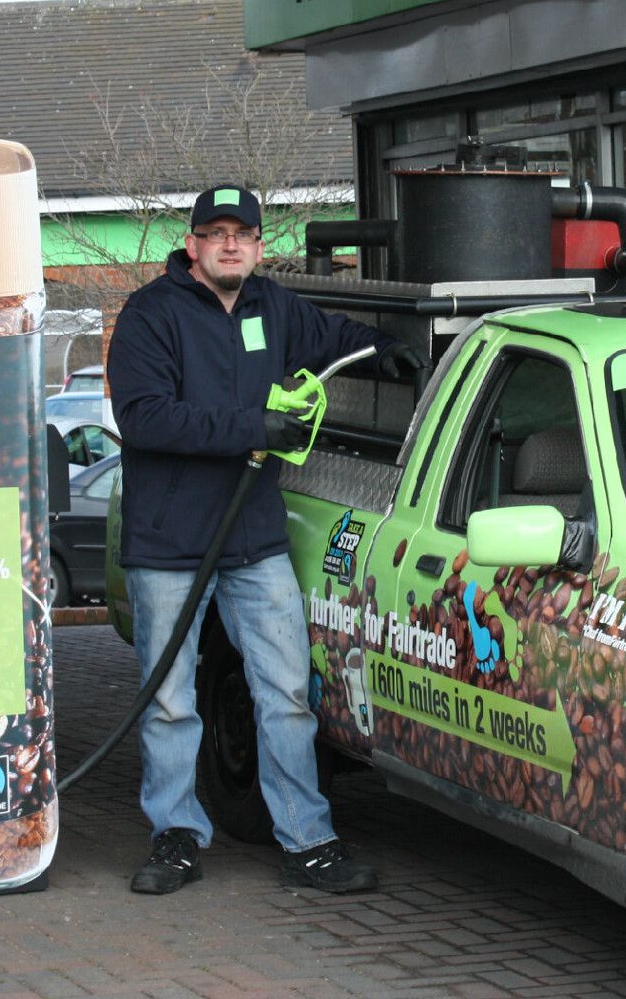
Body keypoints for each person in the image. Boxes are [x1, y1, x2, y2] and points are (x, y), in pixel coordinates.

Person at [106, 185, 427, 895]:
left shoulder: (271, 307)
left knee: (285, 692)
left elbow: (333, 338)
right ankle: (177, 836)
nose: (229, 245)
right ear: (191, 244)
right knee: (169, 699)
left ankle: (308, 840)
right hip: (170, 546)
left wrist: (385, 351)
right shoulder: (149, 316)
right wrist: (256, 428)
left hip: (252, 538)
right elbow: (147, 418)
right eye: (215, 233)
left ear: (257, 245)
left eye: (242, 234)